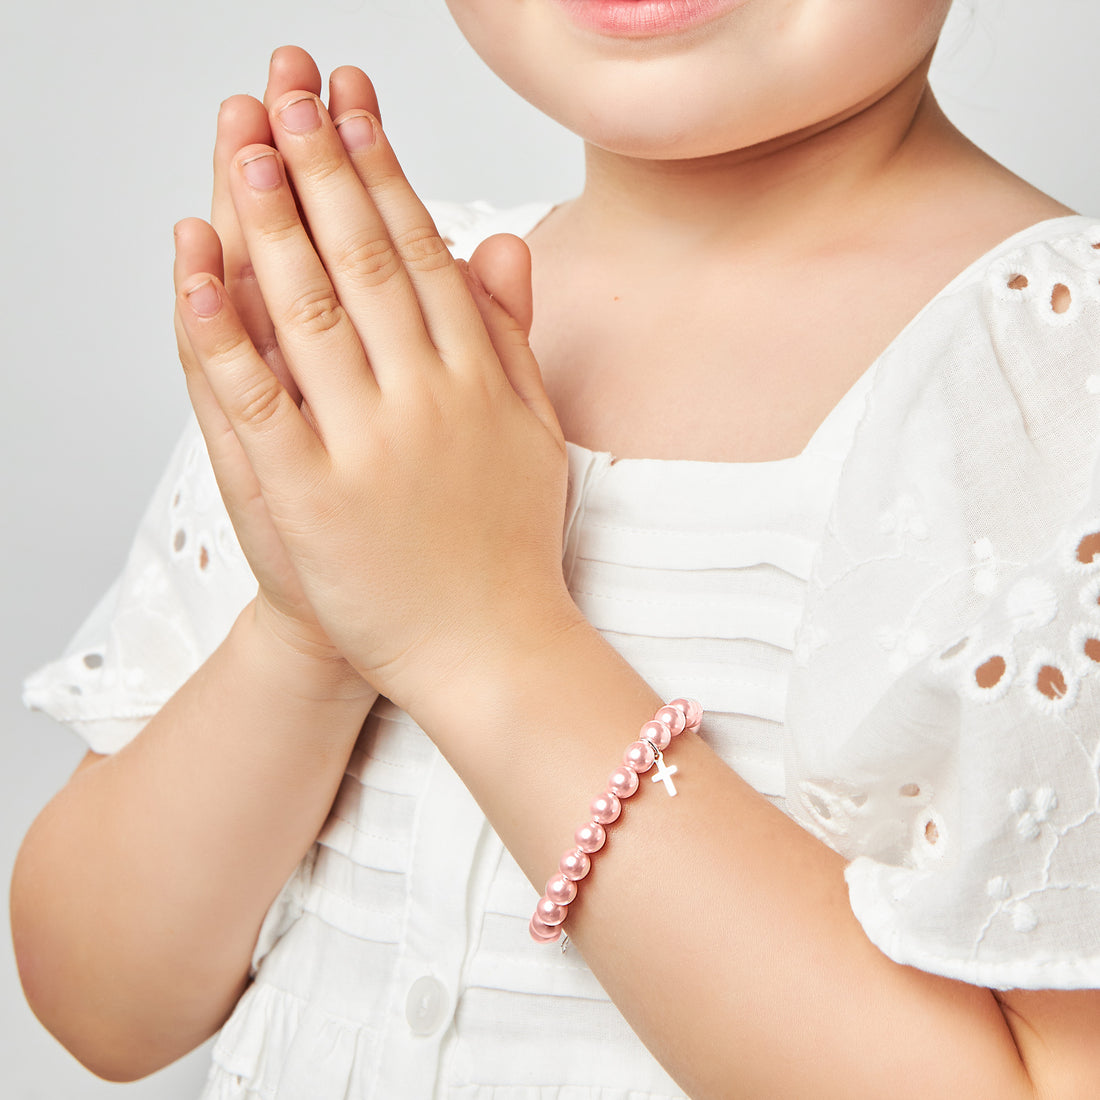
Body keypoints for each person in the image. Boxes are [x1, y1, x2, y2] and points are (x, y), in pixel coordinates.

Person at [11, 2, 1100, 1097]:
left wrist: (481, 638)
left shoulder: (1051, 371)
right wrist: (306, 629)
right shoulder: (381, 340)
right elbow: (106, 1003)